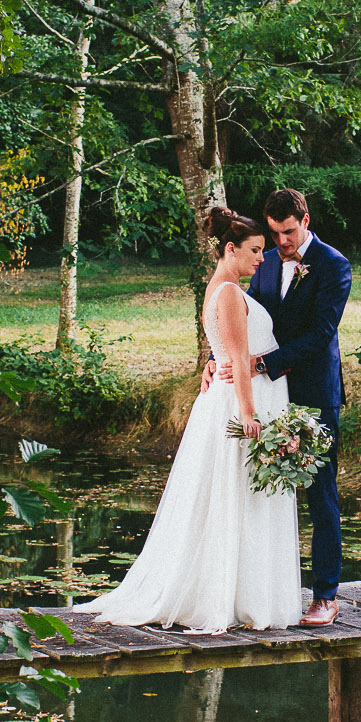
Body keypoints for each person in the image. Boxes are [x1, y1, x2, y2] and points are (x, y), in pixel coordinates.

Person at [76, 207, 301, 632]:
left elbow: (221, 351)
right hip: (239, 408)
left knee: (227, 499)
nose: (261, 259)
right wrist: (251, 415)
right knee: (237, 498)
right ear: (230, 249)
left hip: (225, 401)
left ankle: (230, 590)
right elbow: (236, 356)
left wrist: (214, 365)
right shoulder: (231, 292)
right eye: (254, 250)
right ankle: (232, 596)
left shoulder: (217, 288)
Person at [211, 188, 351, 627]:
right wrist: (218, 358)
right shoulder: (265, 261)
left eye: (288, 232)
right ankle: (262, 592)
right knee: (260, 493)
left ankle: (325, 595)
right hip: (269, 396)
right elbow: (245, 318)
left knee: (320, 493)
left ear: (305, 221)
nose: (280, 243)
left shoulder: (334, 265)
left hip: (312, 395)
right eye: (273, 234)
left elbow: (320, 334)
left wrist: (259, 364)